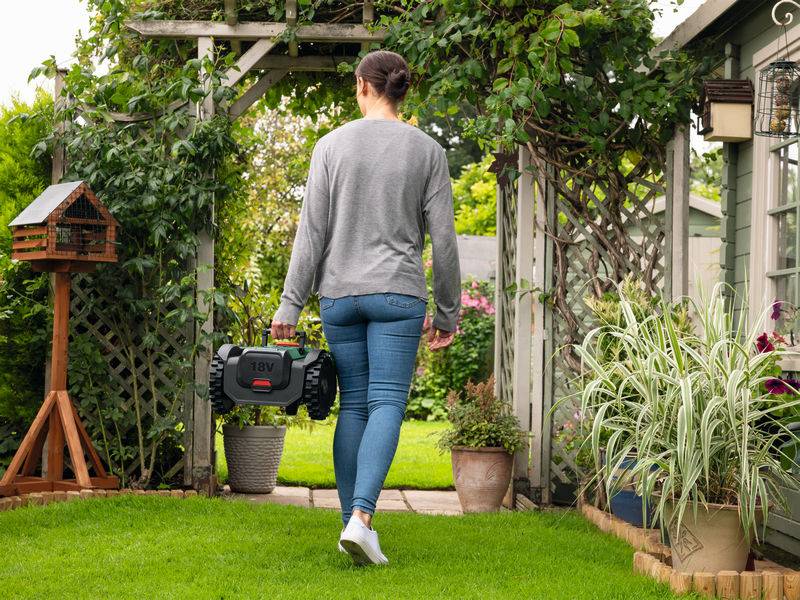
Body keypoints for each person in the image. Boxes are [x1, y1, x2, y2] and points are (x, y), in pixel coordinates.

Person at [271, 49, 461, 566]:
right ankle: (361, 520)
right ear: (401, 90)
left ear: (361, 86)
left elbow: (311, 234)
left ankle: (350, 526)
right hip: (397, 294)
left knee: (353, 405)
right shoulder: (428, 152)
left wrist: (290, 306)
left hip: (339, 296)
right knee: (386, 405)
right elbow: (443, 241)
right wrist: (447, 312)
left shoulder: (330, 147)